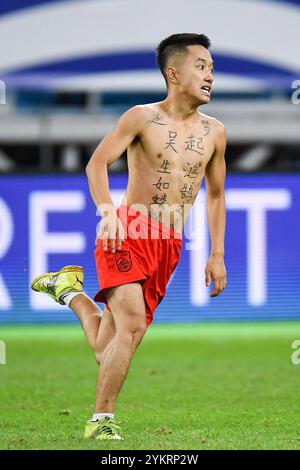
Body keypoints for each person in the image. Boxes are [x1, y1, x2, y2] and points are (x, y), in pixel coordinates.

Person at [31, 33, 227, 441]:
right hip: (127, 232)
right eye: (201, 66)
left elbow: (217, 194)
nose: (210, 75)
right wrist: (107, 211)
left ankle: (70, 293)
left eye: (212, 67)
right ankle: (101, 421)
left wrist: (217, 254)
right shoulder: (141, 117)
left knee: (109, 348)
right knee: (133, 326)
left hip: (169, 245)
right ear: (173, 73)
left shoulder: (215, 132)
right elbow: (96, 164)